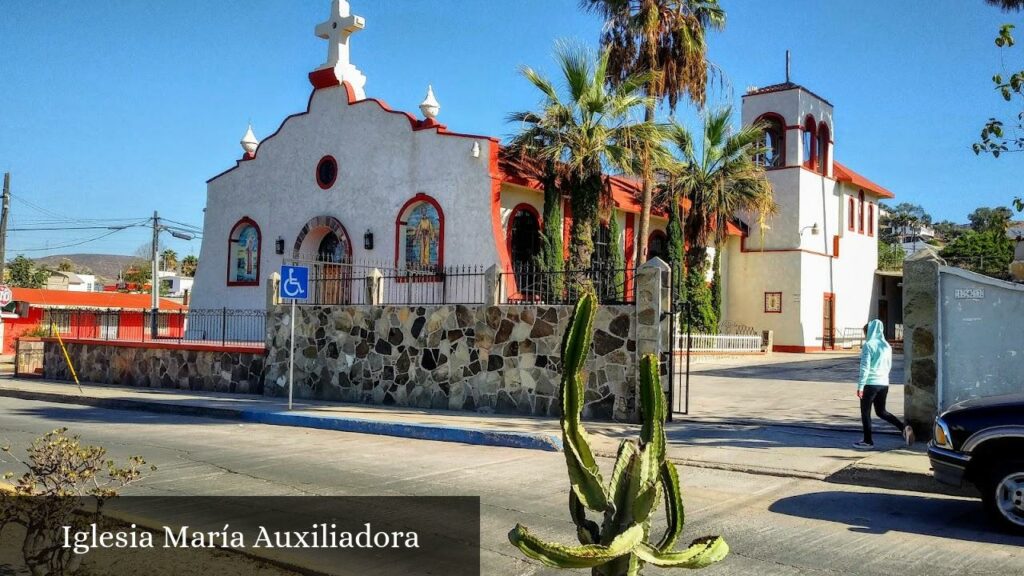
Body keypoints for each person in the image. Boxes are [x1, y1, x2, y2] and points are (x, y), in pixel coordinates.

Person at [854, 319, 914, 449]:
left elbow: (865, 367)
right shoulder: (886, 346)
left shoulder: (868, 345)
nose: (865, 334)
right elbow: (888, 365)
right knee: (881, 411)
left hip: (870, 384)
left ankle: (867, 441)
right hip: (883, 383)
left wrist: (860, 386)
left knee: (866, 413)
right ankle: (903, 428)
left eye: (866, 332)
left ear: (869, 331)